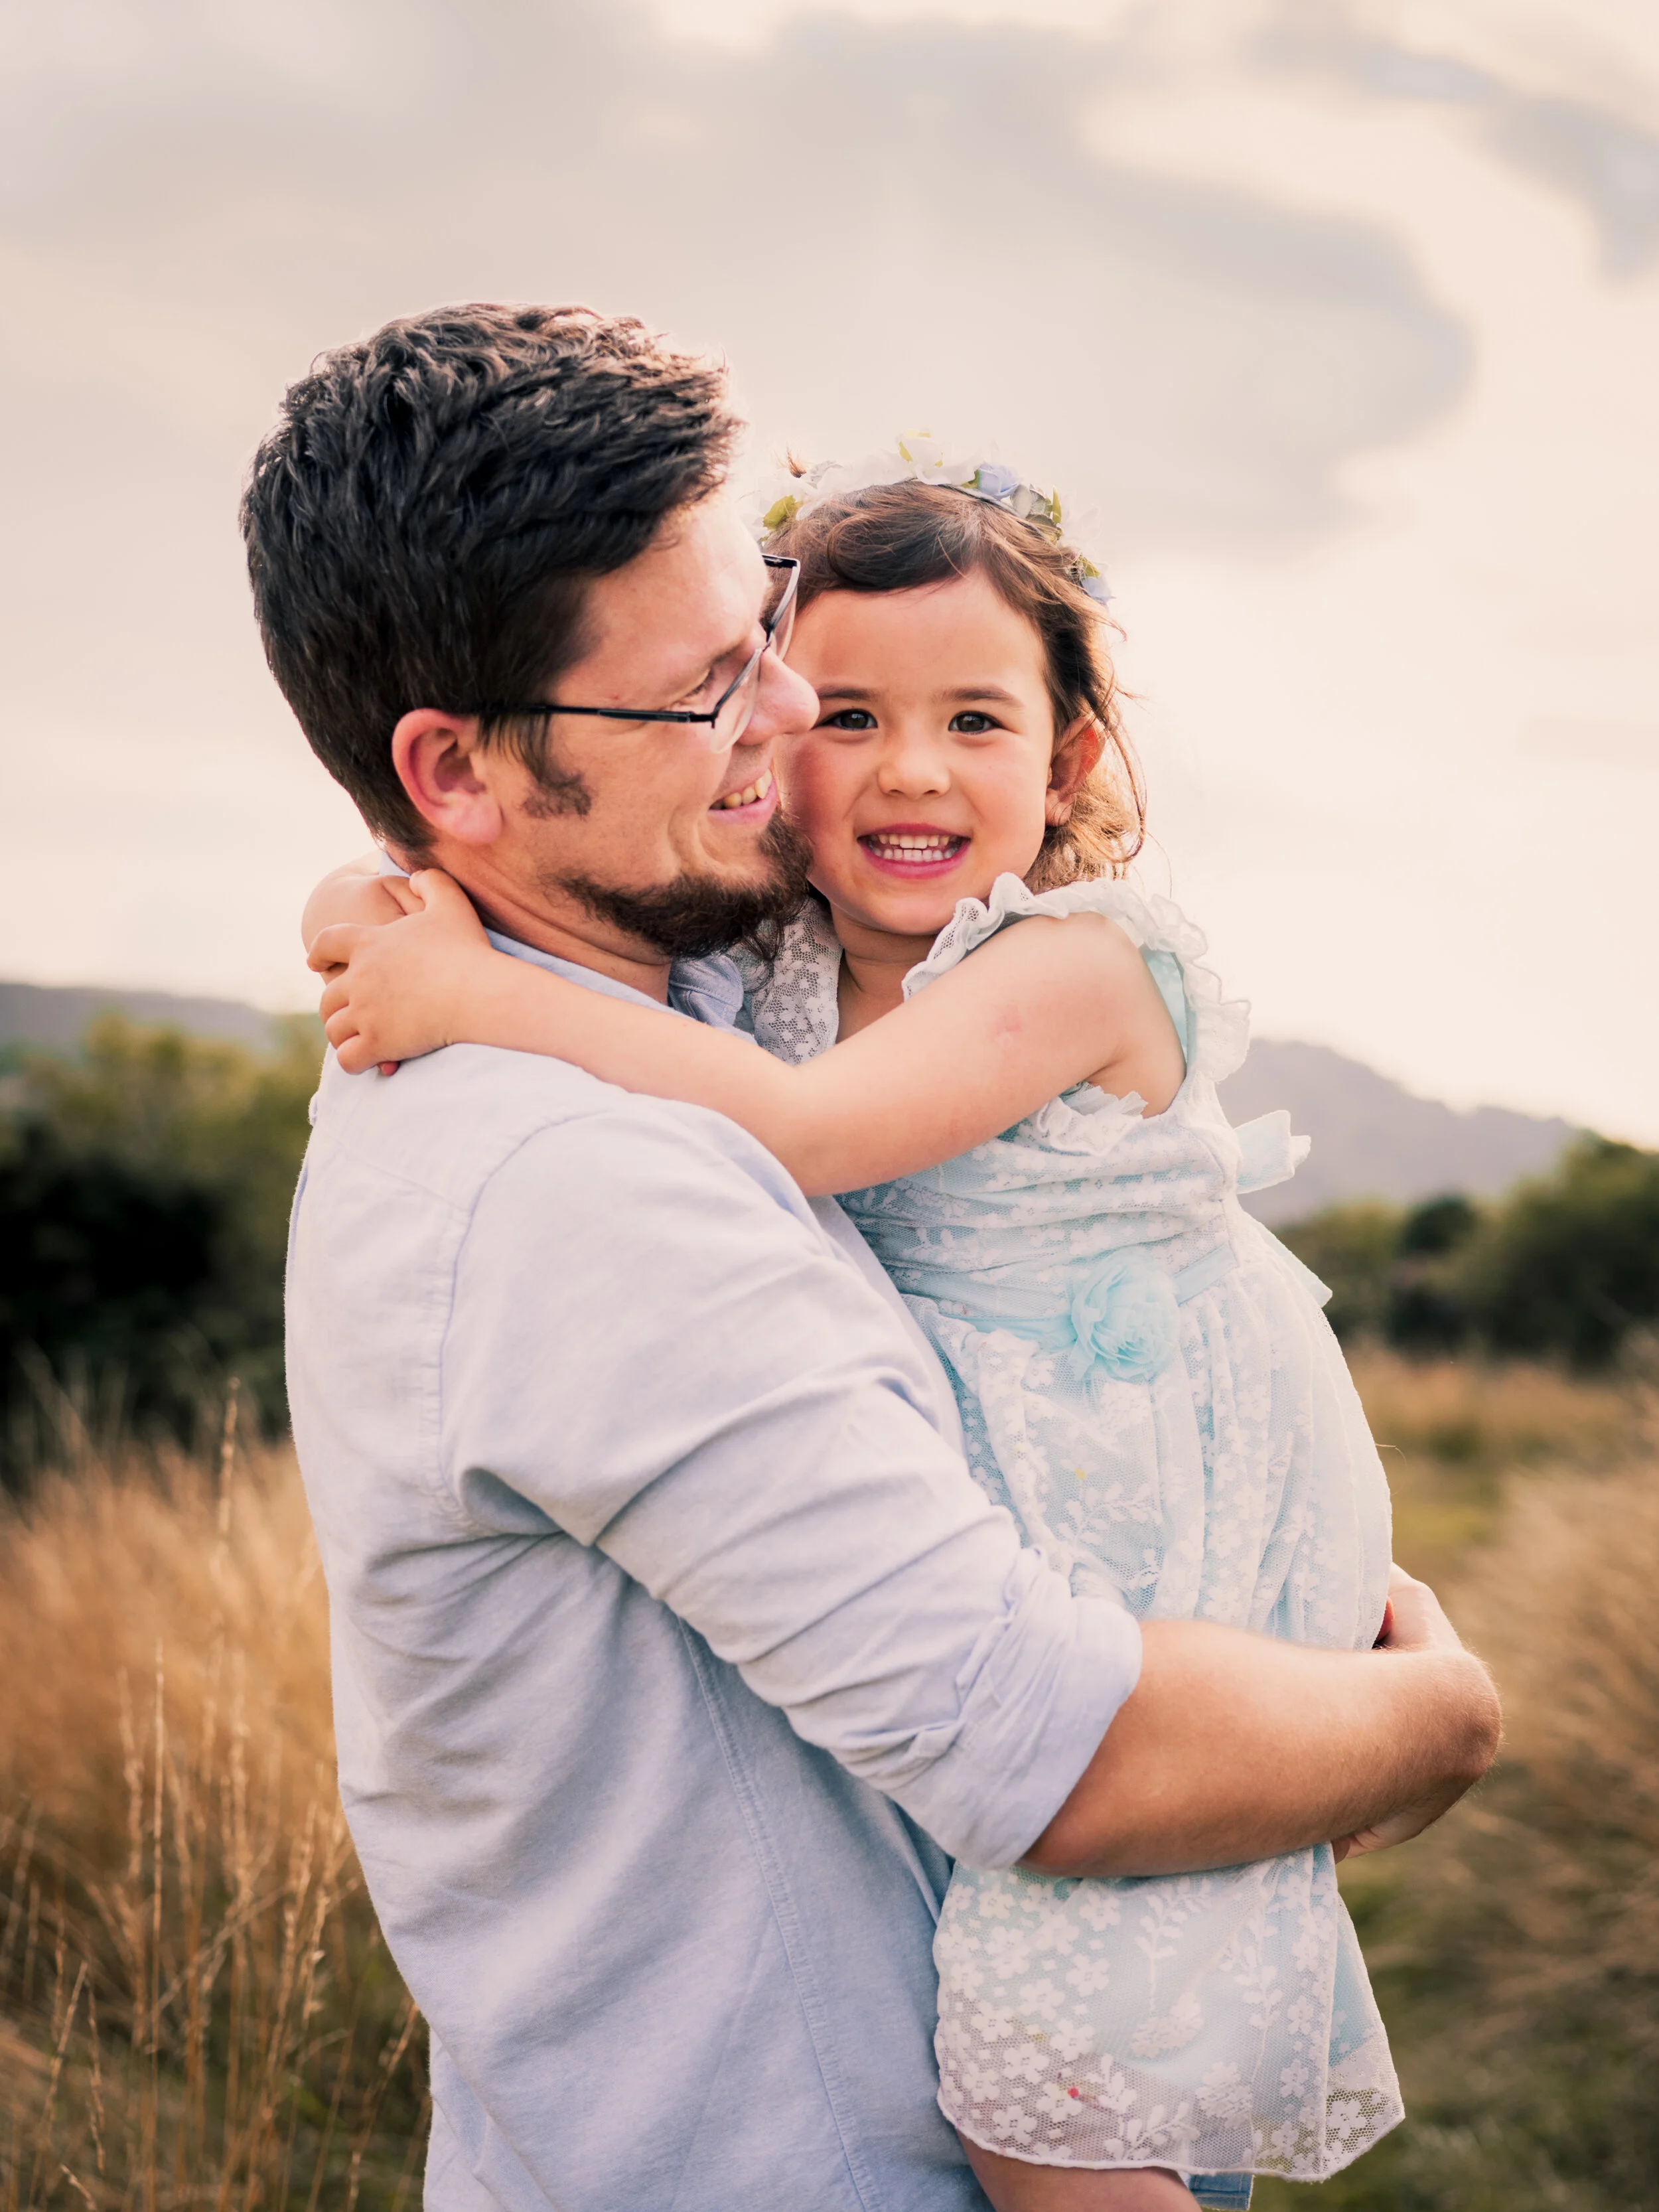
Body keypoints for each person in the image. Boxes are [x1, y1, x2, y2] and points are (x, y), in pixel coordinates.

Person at [247, 305, 1500, 2212]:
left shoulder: (635, 1002)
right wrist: (1434, 1717)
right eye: (712, 689)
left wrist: (380, 908)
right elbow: (1057, 1756)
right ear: (458, 773)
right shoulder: (579, 1178)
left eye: (760, 633)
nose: (784, 720)